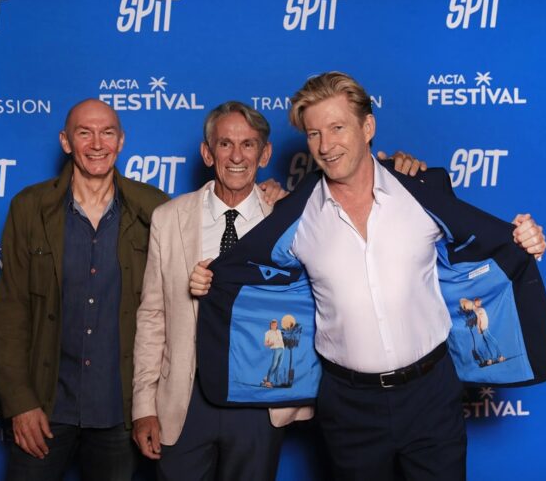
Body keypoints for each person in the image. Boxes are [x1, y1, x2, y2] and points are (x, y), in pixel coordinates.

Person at [190, 72, 546, 481]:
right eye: (313, 134)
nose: (326, 145)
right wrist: (208, 281)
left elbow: (487, 243)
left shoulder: (421, 192)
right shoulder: (295, 214)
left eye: (337, 128)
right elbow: (245, 274)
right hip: (348, 405)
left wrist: (527, 241)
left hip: (431, 394)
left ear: (368, 127)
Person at [132, 100, 426, 481]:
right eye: (225, 144)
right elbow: (152, 317)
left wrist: (399, 166)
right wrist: (143, 406)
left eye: (248, 144)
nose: (236, 156)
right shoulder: (169, 218)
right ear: (207, 153)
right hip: (185, 402)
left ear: (265, 153)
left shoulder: (292, 216)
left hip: (260, 401)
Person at [0, 98, 169, 481]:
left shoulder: (155, 209)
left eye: (107, 133)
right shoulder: (29, 208)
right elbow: (10, 313)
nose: (97, 144)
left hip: (118, 410)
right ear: (66, 141)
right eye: (84, 133)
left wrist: (270, 196)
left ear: (121, 141)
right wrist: (20, 403)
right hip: (44, 405)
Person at [263, 319, 285, 387]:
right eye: (272, 324)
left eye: (275, 324)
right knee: (274, 365)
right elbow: (265, 344)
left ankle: (270, 379)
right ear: (270, 325)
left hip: (282, 349)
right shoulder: (267, 333)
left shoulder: (279, 331)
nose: (274, 325)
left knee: (279, 366)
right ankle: (268, 381)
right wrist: (270, 343)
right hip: (276, 349)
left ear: (276, 325)